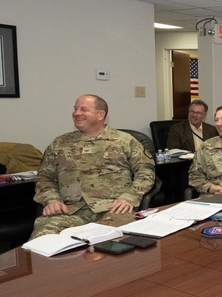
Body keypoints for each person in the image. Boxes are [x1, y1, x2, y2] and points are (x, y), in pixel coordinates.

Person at [31, 94, 155, 238]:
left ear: (100, 114)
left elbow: (146, 171)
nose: (77, 113)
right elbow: (45, 177)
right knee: (42, 240)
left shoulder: (125, 141)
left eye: (83, 109)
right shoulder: (59, 143)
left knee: (112, 242)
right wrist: (51, 200)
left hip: (113, 209)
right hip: (68, 211)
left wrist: (130, 196)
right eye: (75, 109)